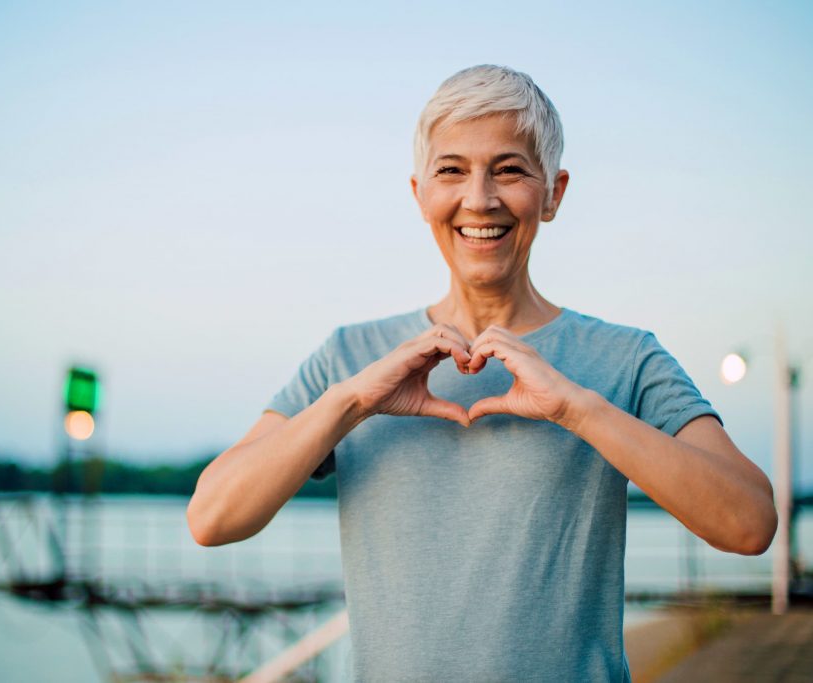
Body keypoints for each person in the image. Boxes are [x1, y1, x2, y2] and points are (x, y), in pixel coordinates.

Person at [186, 64, 777, 682]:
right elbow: (213, 517)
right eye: (452, 170)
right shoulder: (350, 357)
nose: (480, 199)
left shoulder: (627, 358)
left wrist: (577, 409)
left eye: (510, 169)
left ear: (553, 193)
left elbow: (749, 523)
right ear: (419, 193)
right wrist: (353, 402)